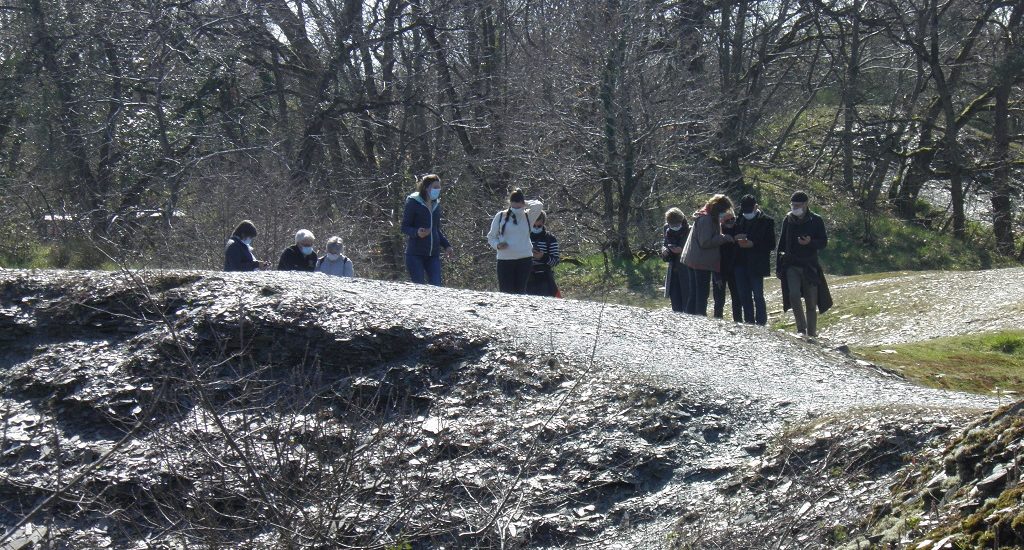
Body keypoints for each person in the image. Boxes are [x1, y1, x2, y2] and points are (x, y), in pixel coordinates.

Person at [776, 191, 833, 337]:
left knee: (811, 302)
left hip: (809, 266)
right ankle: (801, 329)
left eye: (798, 205)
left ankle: (812, 333)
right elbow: (781, 244)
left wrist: (810, 242)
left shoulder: (816, 220)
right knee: (793, 295)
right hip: (791, 265)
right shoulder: (787, 220)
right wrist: (778, 266)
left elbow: (823, 242)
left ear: (806, 204)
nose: (795, 208)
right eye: (793, 205)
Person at [680, 194, 735, 316]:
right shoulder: (707, 219)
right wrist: (724, 238)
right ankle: (700, 318)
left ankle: (690, 318)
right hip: (701, 261)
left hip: (693, 258)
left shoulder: (705, 215)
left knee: (694, 293)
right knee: (701, 294)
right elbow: (705, 242)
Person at [487, 188, 543, 294]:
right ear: (510, 203)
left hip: (524, 258)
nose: (516, 207)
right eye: (514, 203)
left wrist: (524, 202)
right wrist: (497, 245)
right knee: (506, 292)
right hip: (505, 259)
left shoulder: (528, 216)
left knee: (520, 291)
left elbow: (538, 205)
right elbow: (491, 237)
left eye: (518, 203)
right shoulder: (500, 216)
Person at [401, 174, 453, 285]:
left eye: (439, 187)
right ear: (426, 187)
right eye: (435, 187)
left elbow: (436, 229)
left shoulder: (436, 205)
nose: (438, 190)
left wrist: (447, 246)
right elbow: (404, 227)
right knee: (419, 288)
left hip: (433, 255)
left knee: (436, 287)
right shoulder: (413, 203)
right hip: (415, 254)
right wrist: (417, 233)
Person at [733, 195, 776, 325]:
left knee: (758, 294)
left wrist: (753, 244)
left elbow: (771, 244)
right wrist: (736, 239)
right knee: (744, 294)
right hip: (740, 262)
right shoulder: (738, 220)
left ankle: (761, 322)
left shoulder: (767, 221)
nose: (747, 213)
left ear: (756, 207)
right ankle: (749, 321)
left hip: (757, 263)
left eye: (749, 210)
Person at [712, 208, 742, 321]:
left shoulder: (739, 228)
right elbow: (713, 255)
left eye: (732, 219)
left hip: (735, 269)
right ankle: (717, 322)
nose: (730, 222)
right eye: (727, 220)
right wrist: (716, 275)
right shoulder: (716, 232)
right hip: (719, 269)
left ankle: (738, 322)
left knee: (737, 299)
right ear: (721, 221)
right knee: (719, 301)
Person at [661, 208, 690, 312]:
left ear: (681, 221)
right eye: (671, 225)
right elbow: (665, 244)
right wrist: (665, 251)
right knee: (675, 304)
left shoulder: (690, 229)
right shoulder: (666, 228)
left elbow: (695, 251)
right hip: (673, 270)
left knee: (687, 303)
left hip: (687, 270)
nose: (674, 227)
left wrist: (682, 251)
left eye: (676, 224)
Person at [526, 211, 560, 297]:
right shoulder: (524, 237)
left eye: (539, 226)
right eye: (534, 225)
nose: (536, 228)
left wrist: (543, 256)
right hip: (526, 275)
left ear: (543, 224)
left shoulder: (550, 239)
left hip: (544, 277)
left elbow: (555, 261)